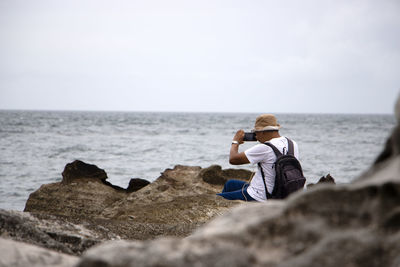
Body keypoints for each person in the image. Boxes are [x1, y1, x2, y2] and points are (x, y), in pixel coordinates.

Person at [217, 114, 299, 201]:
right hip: (283, 192)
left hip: (260, 196)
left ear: (263, 132)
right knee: (230, 184)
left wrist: (235, 142)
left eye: (256, 132)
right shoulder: (293, 144)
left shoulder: (265, 147)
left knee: (217, 198)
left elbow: (233, 159)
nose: (255, 136)